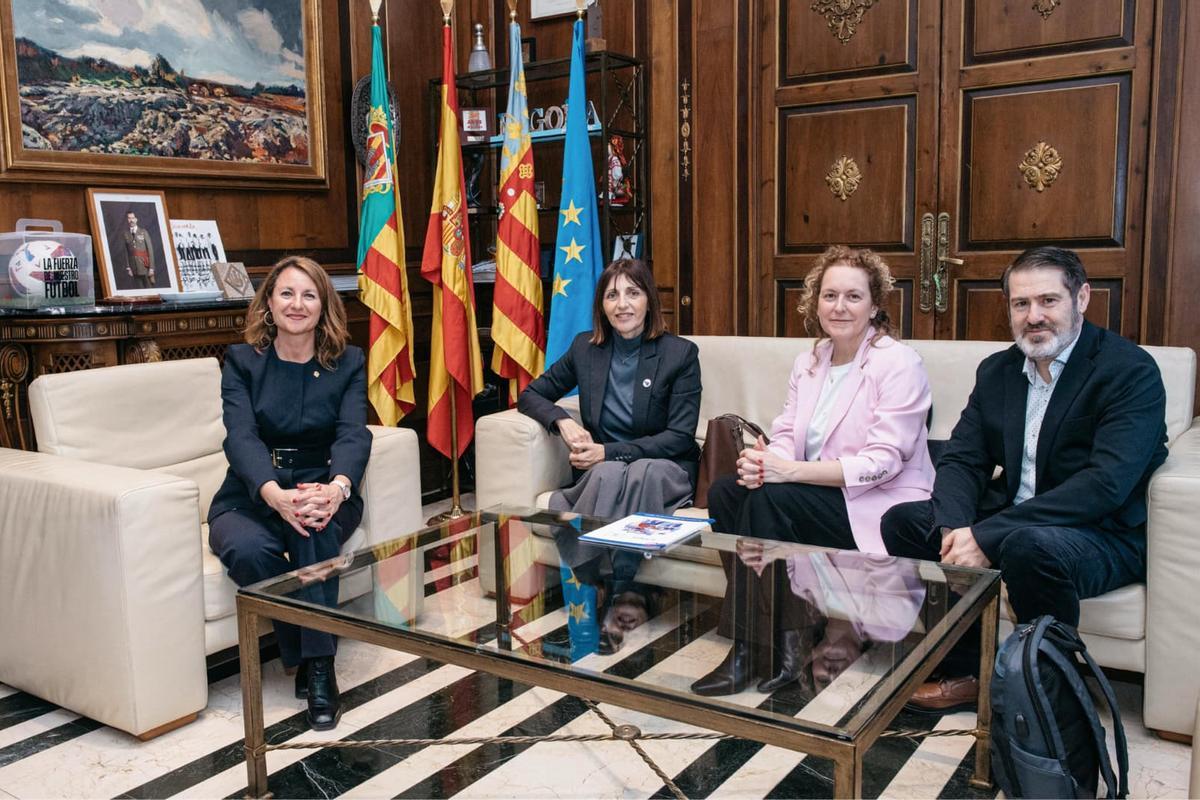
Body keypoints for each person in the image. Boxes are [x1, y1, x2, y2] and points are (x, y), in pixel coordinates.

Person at [881, 246, 1167, 712]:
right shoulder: (998, 371)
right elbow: (963, 460)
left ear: (1082, 298)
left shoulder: (1128, 371)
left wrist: (988, 534)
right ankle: (967, 668)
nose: (1034, 316)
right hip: (1018, 516)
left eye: (1048, 301)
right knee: (905, 521)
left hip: (1103, 533)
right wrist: (955, 531)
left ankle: (1050, 690)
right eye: (1020, 304)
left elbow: (1105, 485)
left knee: (1029, 545)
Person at [692, 245, 935, 696]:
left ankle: (759, 646)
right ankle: (779, 636)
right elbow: (786, 432)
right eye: (829, 296)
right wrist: (763, 463)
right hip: (816, 494)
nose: (839, 307)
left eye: (853, 297)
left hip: (877, 504)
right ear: (814, 302)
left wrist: (788, 472)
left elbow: (884, 462)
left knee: (769, 499)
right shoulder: (811, 361)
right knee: (728, 493)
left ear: (875, 305)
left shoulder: (898, 363)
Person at [207, 255, 370, 731]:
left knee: (314, 523)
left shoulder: (348, 362)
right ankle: (303, 650)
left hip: (324, 484)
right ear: (269, 304)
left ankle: (319, 669)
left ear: (324, 306)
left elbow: (353, 434)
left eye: (309, 295)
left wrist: (339, 488)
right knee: (246, 549)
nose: (297, 304)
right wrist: (273, 493)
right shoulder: (242, 362)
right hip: (253, 489)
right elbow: (240, 437)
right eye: (286, 293)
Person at [518, 258, 702, 599]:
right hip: (608, 470)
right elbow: (531, 394)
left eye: (633, 293)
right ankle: (602, 576)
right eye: (612, 296)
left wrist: (607, 451)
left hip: (667, 466)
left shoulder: (680, 354)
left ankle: (621, 577)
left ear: (649, 300)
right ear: (601, 305)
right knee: (609, 474)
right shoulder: (586, 349)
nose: (622, 305)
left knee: (637, 471)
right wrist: (563, 421)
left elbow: (679, 437)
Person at [120, 210, 156, 289]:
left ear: (136, 219)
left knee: (149, 289)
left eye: (133, 218)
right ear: (127, 220)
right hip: (134, 268)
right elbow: (126, 252)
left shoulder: (143, 232)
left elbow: (150, 250)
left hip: (145, 266)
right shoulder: (126, 234)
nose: (131, 220)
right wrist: (128, 267)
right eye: (129, 218)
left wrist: (151, 268)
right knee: (139, 290)